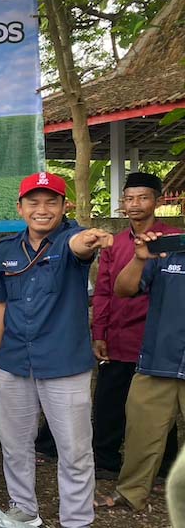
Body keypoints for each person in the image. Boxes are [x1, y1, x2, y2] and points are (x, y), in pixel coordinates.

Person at [0, 172, 113, 528]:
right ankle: (24, 508)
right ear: (20, 208)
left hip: (63, 364)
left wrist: (89, 239)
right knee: (14, 444)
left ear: (63, 207)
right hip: (13, 362)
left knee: (74, 449)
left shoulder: (70, 240)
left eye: (51, 201)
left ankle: (76, 525)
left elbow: (80, 247)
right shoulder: (8, 249)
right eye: (34, 202)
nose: (42, 210)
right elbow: (1, 305)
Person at [91, 173, 180, 480]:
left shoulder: (172, 240)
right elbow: (103, 291)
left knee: (159, 410)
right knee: (109, 402)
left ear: (157, 200)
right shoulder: (114, 244)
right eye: (129, 198)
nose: (135, 205)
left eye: (142, 198)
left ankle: (162, 469)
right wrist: (98, 332)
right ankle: (105, 461)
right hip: (118, 335)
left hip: (157, 339)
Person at [96, 230, 185, 514]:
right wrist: (138, 259)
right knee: (141, 435)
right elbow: (123, 289)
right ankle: (130, 493)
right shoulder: (167, 251)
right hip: (159, 362)